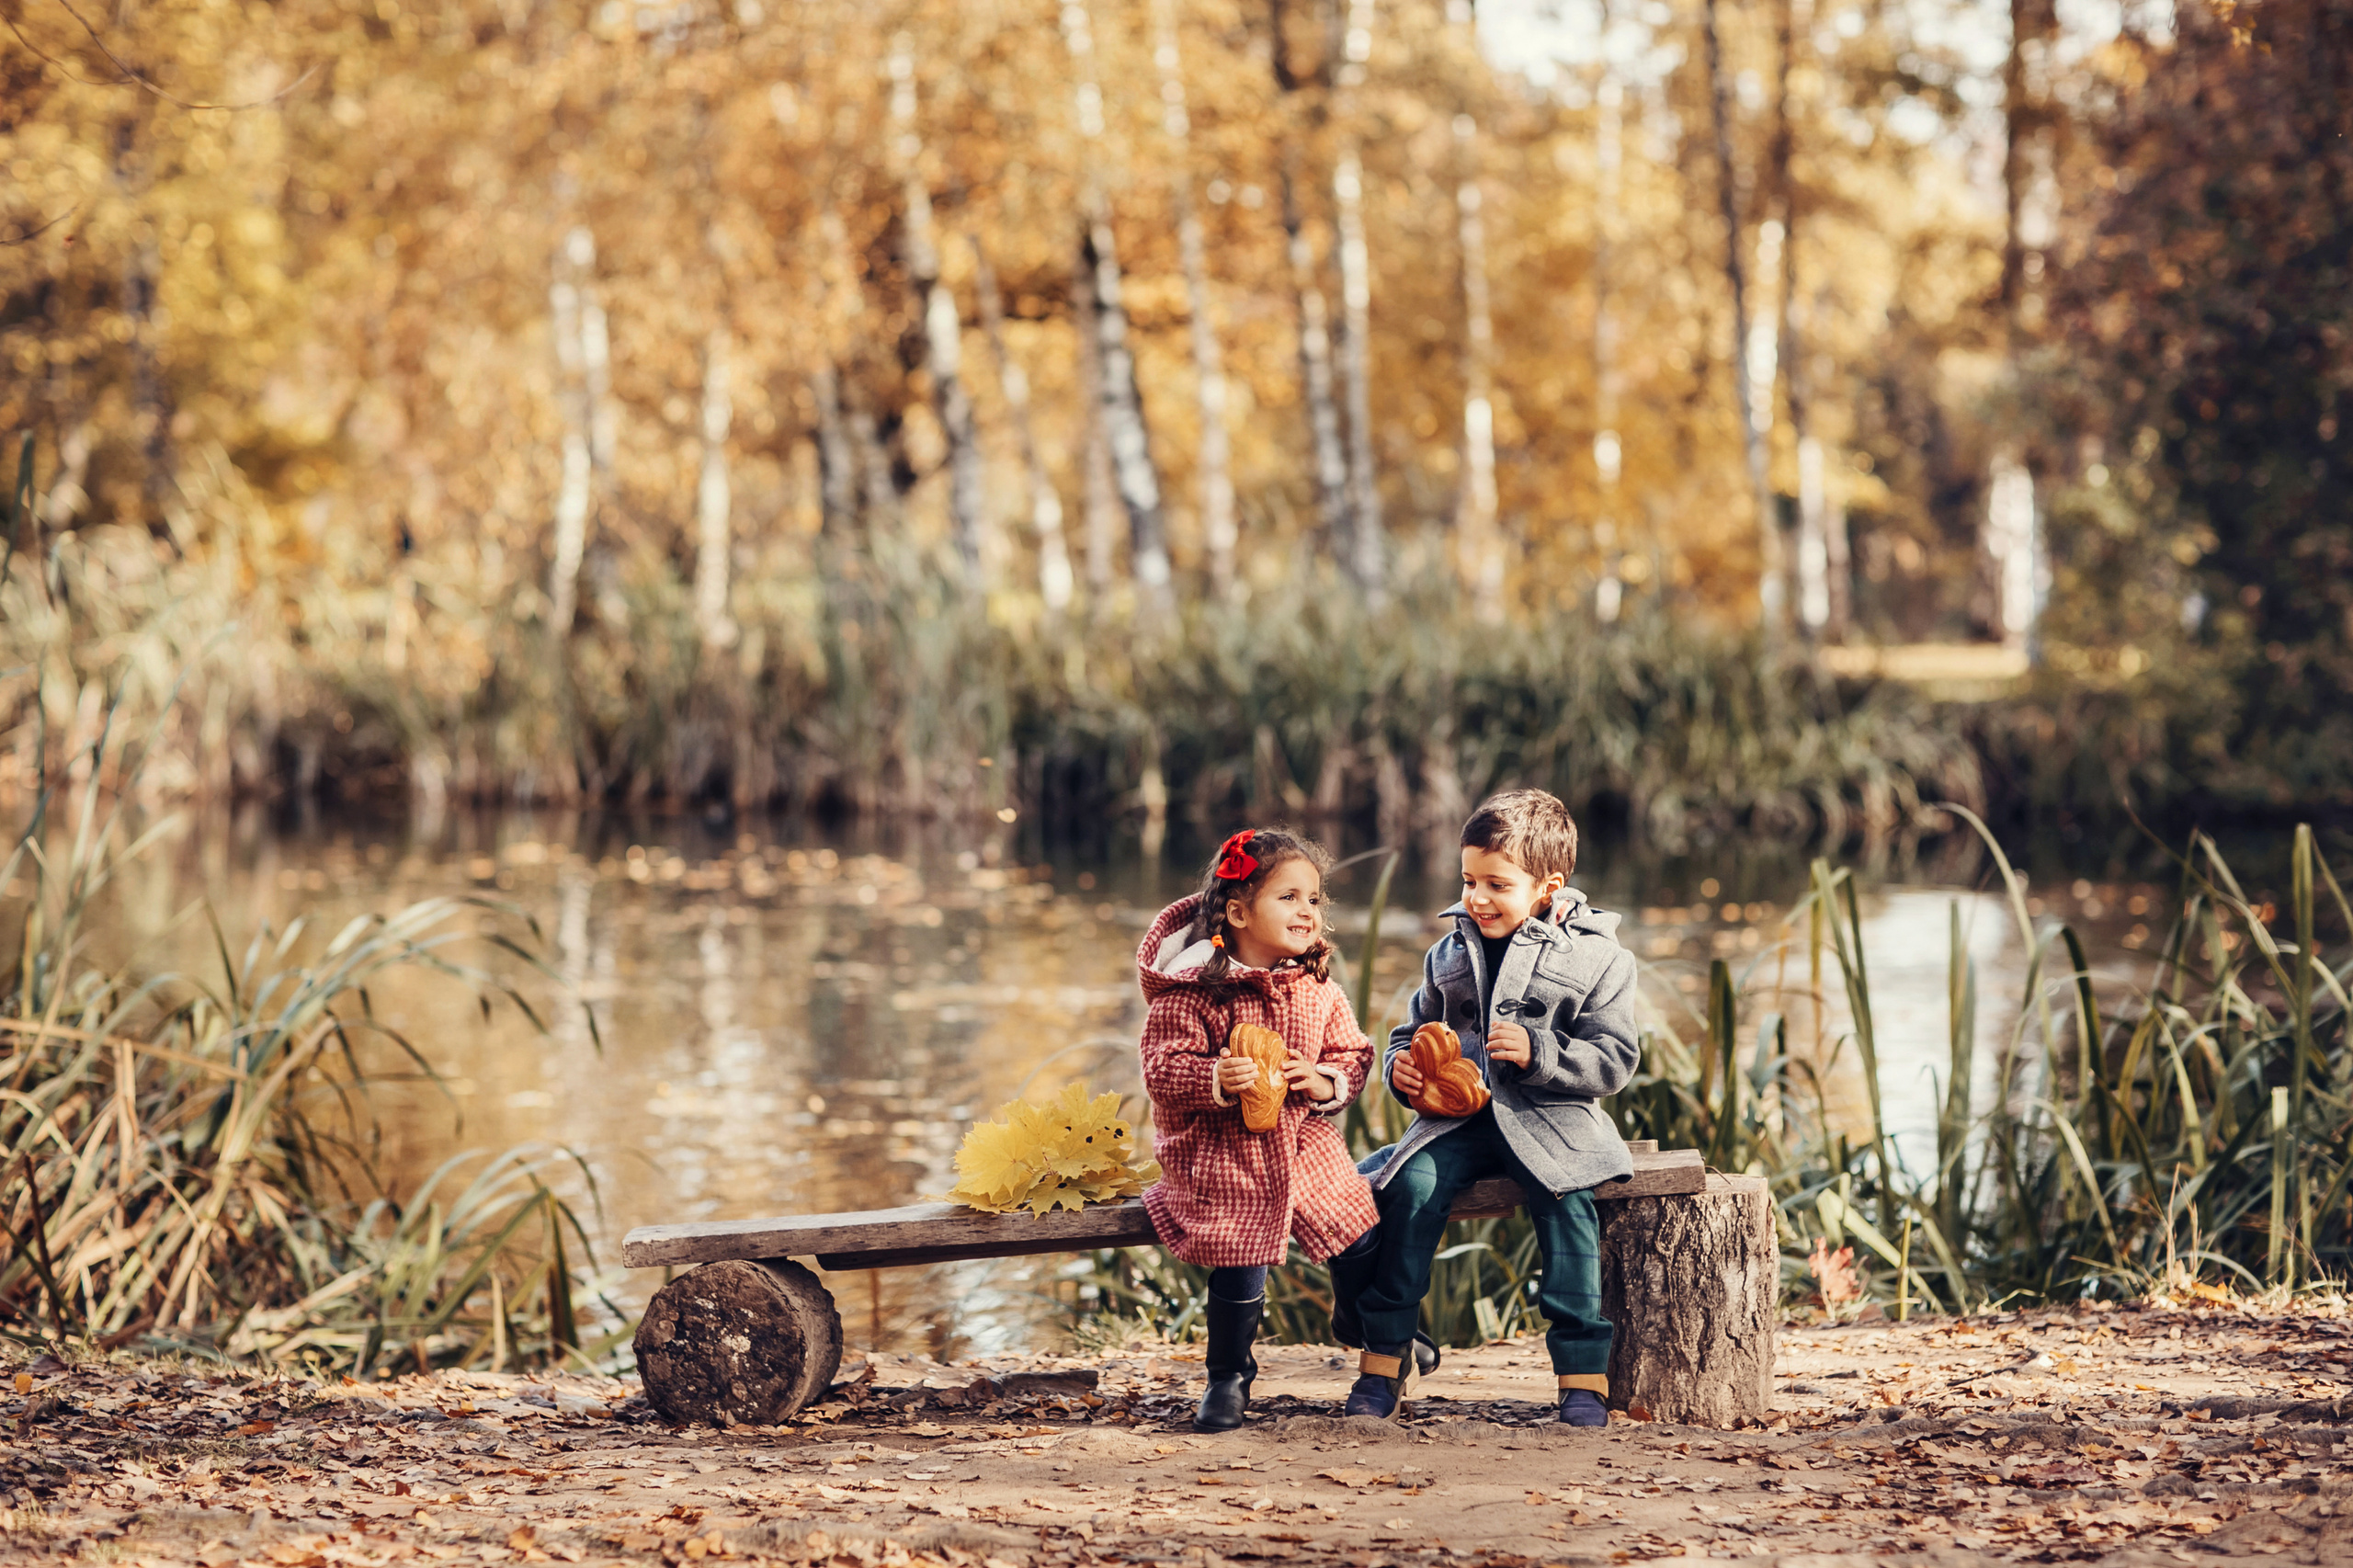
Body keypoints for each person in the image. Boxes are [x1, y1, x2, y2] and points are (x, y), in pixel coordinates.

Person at [1334, 789, 1640, 1426]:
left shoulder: (1600, 957)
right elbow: (1408, 1032)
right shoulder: (1448, 952)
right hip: (1457, 1120)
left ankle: (1581, 1375)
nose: (1476, 897)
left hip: (1549, 1119)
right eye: (1469, 880)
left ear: (1547, 887)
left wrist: (1541, 1052)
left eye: (1497, 884)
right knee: (1409, 1188)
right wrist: (1404, 1069)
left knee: (1567, 1203)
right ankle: (1384, 1360)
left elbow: (1615, 1057)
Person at [1135, 827, 1381, 1432]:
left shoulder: (1316, 985)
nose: (1307, 911)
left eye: (1315, 900)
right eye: (1289, 897)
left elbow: (1353, 1055)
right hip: (1220, 1149)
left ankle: (1363, 1318)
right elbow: (1162, 1071)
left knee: (1355, 1221)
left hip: (1301, 1138)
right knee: (1242, 1255)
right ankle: (1228, 1376)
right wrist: (1217, 1076)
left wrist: (1321, 1080)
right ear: (1239, 911)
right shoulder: (1192, 990)